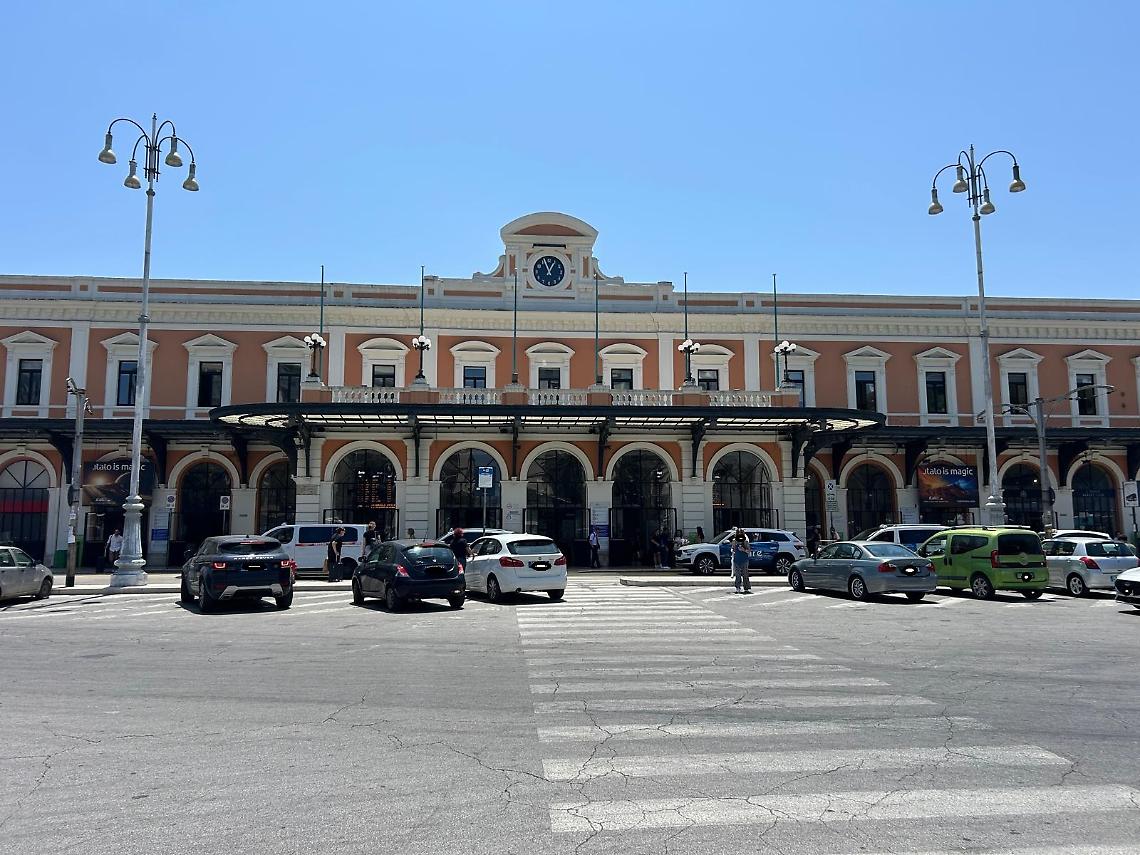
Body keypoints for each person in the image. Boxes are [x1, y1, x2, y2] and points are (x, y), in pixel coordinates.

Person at [731, 527, 752, 594]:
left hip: (744, 560)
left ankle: (746, 587)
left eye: (741, 533)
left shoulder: (745, 541)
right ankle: (738, 587)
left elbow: (749, 551)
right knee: (738, 575)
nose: (739, 534)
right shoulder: (734, 541)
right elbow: (733, 549)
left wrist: (743, 550)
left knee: (745, 574)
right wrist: (733, 550)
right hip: (736, 559)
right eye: (738, 533)